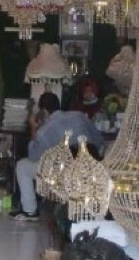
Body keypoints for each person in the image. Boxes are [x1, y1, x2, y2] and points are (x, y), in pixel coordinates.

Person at [12, 91, 105, 221]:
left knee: (23, 166)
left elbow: (33, 156)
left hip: (65, 174)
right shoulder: (79, 116)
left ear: (44, 111)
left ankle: (30, 211)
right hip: (91, 168)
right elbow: (99, 141)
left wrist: (34, 127)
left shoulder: (45, 130)